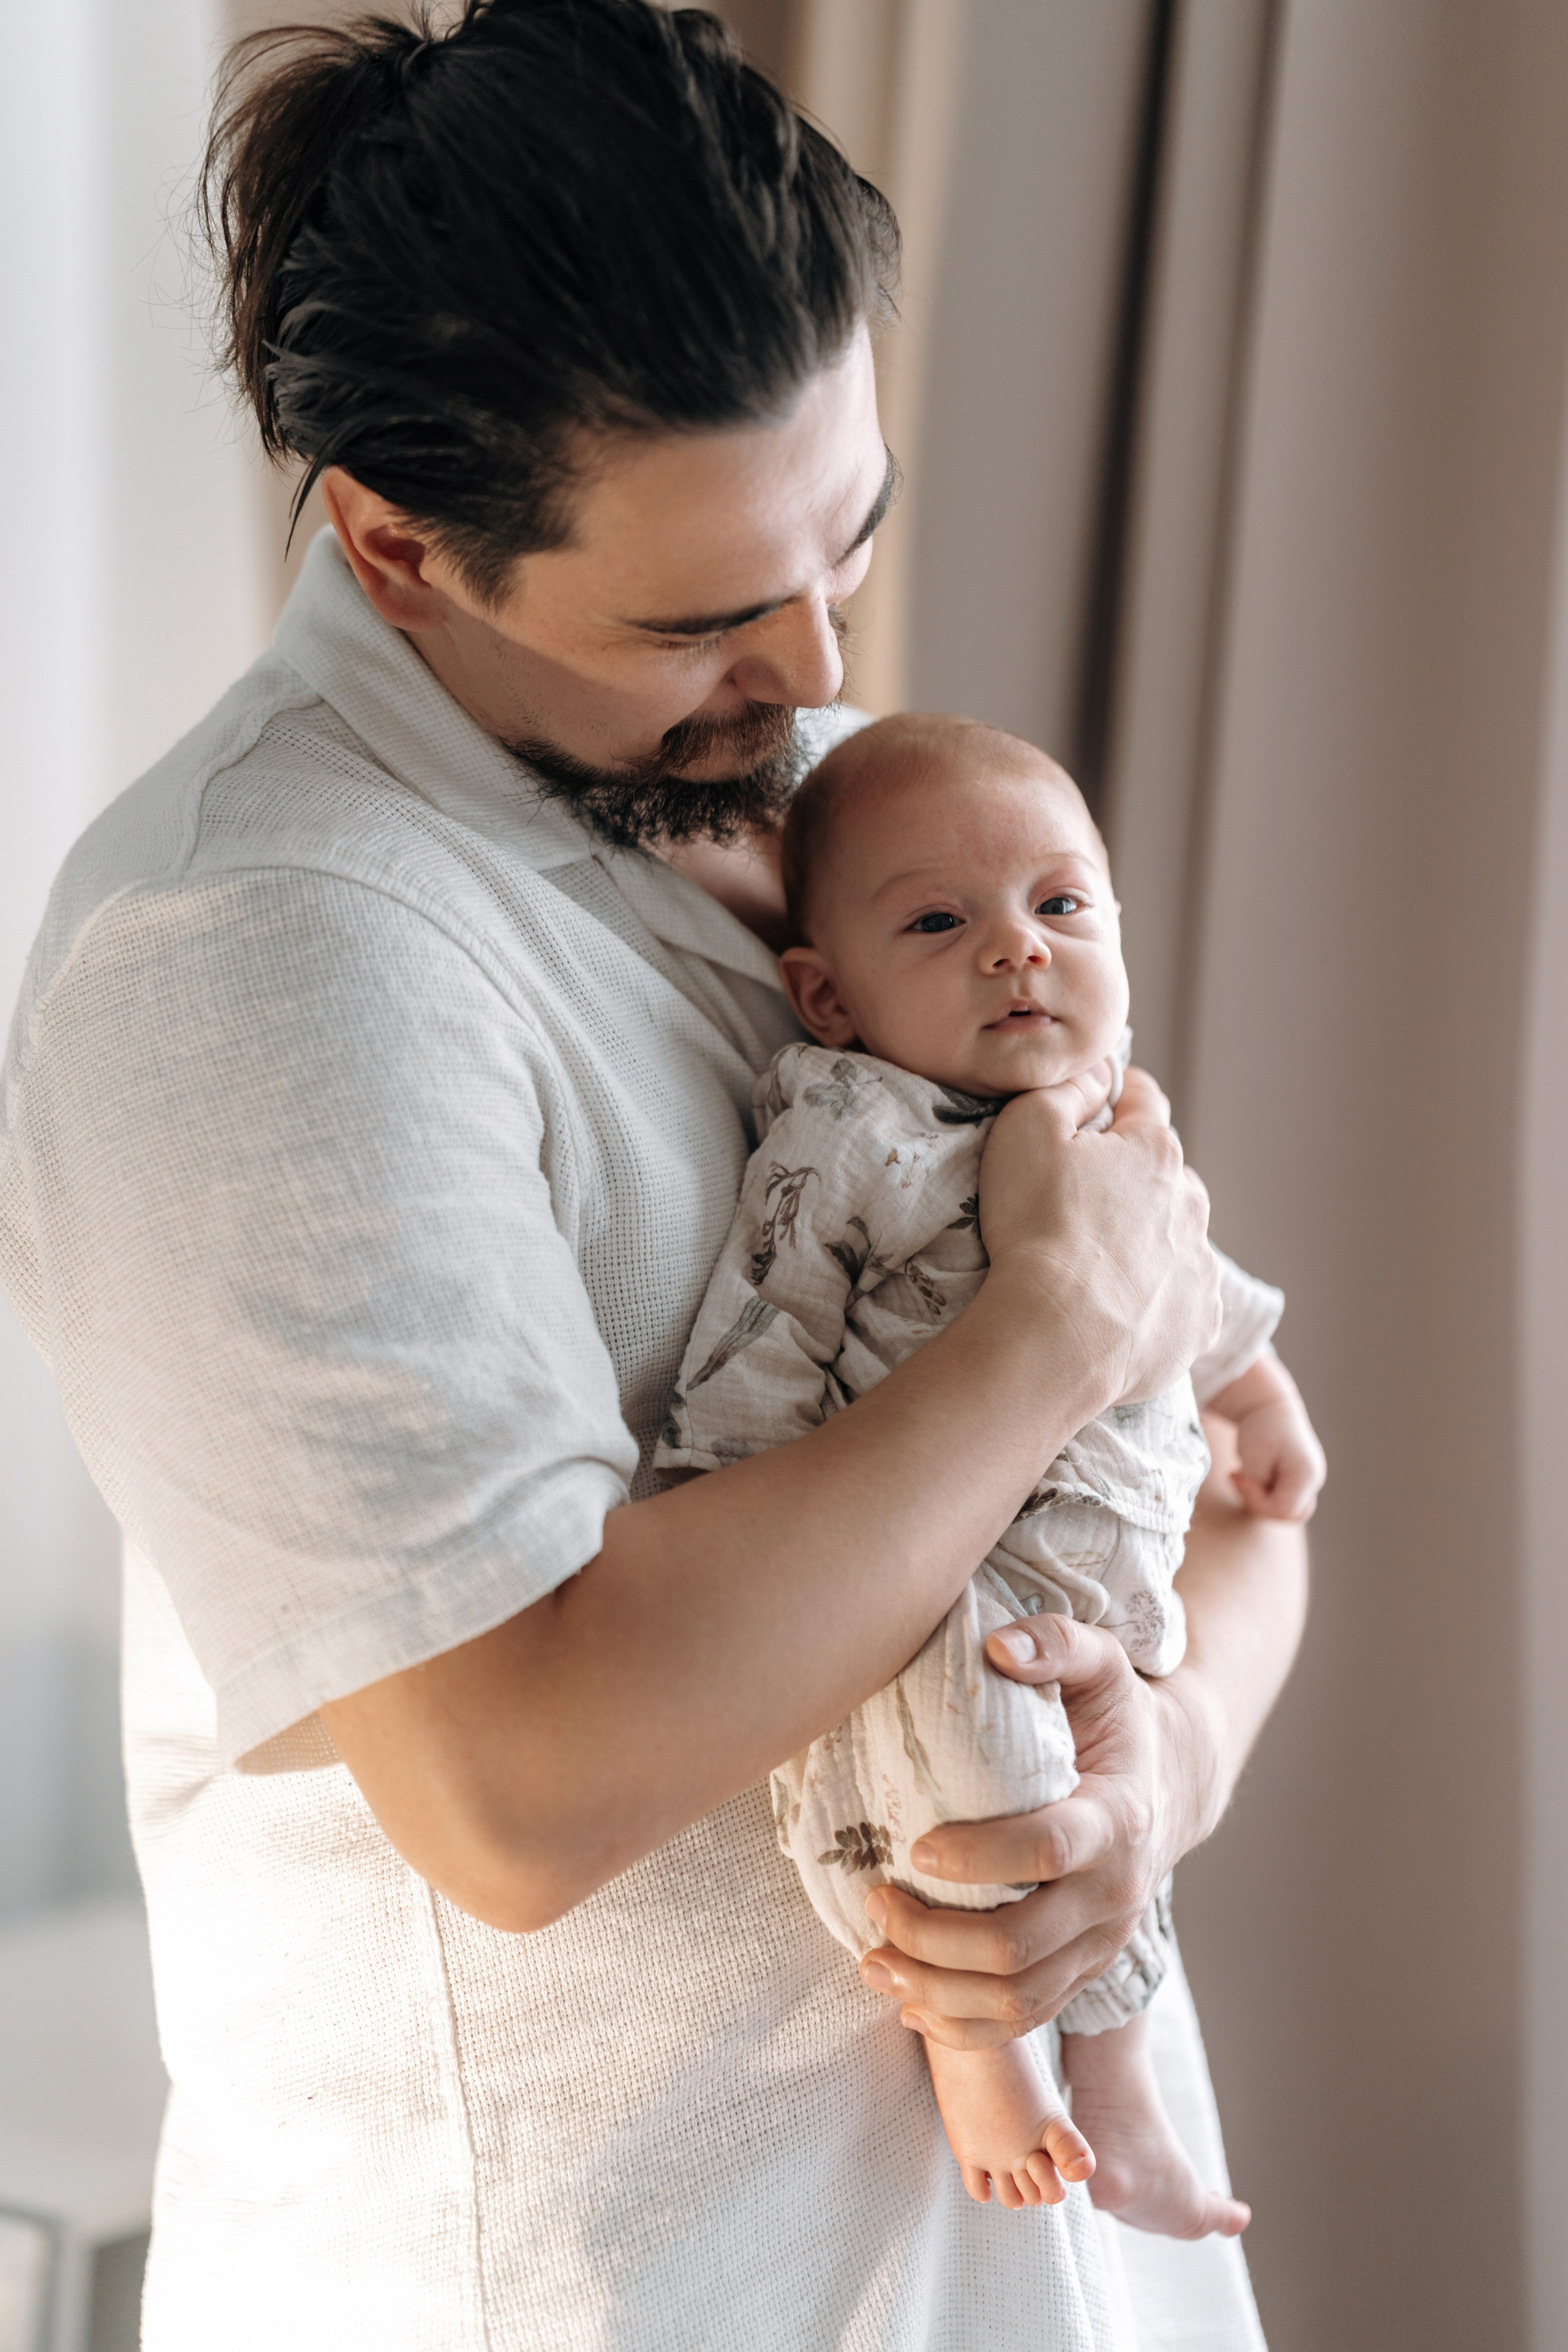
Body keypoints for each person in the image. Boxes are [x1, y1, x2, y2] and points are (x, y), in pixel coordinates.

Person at [0, 6, 1306, 2345]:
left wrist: (1153, 1790)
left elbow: (1244, 1483)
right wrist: (1054, 1334)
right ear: (399, 544)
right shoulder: (259, 954)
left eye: (852, 539)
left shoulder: (835, 819)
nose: (819, 665)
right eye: (706, 615)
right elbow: (517, 1787)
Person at [657, 712, 1325, 2232]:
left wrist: (1256, 1384)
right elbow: (774, 1311)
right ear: (826, 996)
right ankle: (974, 2050)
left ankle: (1127, 2093)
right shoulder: (852, 1128)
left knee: (1117, 1816)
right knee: (986, 1785)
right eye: (940, 924)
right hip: (951, 1578)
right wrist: (730, 1491)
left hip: (1121, 1574)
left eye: (1059, 907)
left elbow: (1187, 1274)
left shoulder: (1109, 1118)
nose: (1017, 952)